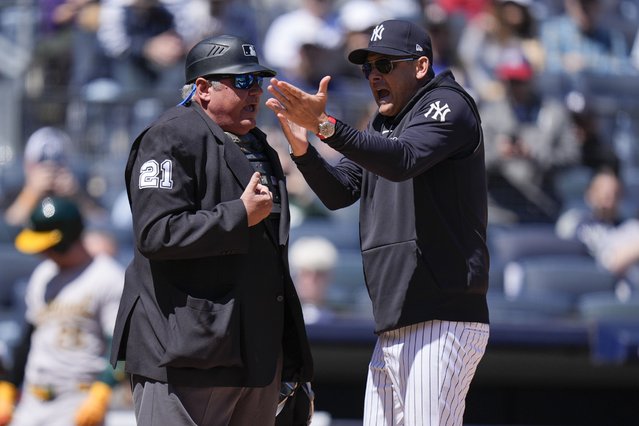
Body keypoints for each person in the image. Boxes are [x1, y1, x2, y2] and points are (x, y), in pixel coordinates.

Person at [266, 19, 490, 425]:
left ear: (420, 67)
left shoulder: (449, 104)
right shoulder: (383, 123)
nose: (373, 75)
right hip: (394, 318)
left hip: (442, 317)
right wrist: (303, 150)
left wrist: (325, 125)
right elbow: (340, 192)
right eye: (367, 67)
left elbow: (403, 160)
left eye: (385, 65)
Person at [109, 34, 313, 426]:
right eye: (241, 82)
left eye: (257, 81)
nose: (253, 91)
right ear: (202, 89)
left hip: (251, 350)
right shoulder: (169, 135)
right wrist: (237, 215)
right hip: (185, 350)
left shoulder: (257, 143)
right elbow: (156, 232)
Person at [0, 196, 125, 426]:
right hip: (31, 402)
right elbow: (27, 338)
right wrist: (8, 386)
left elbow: (120, 346)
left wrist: (102, 391)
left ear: (65, 239)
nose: (42, 252)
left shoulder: (107, 277)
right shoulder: (43, 275)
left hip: (77, 401)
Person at [480, 52, 581, 223]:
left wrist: (534, 154)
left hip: (543, 201)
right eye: (511, 81)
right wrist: (499, 154)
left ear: (531, 80)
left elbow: (572, 155)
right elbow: (473, 161)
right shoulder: (489, 115)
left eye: (520, 81)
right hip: (500, 206)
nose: (515, 87)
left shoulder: (554, 112)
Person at [289, 236, 338, 324]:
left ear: (330, 277)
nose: (312, 280)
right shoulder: (281, 318)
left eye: (320, 273)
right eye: (306, 273)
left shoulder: (344, 320)